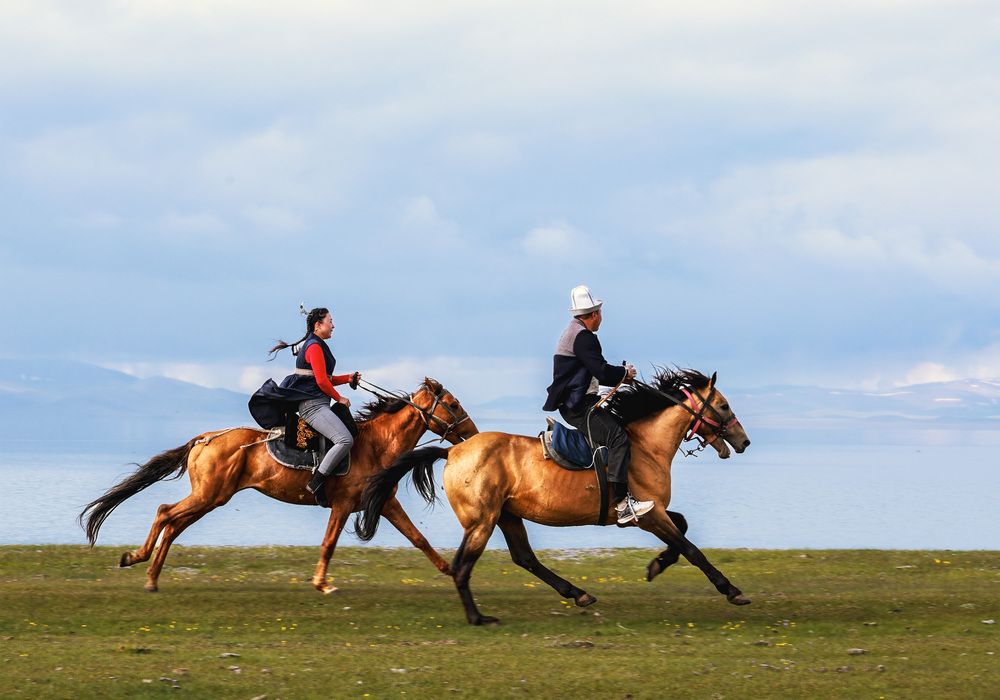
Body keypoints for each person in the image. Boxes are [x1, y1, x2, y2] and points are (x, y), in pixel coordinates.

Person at [543, 285, 654, 525]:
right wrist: (625, 372)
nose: (601, 318)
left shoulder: (573, 332)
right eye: (600, 313)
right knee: (619, 439)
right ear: (594, 314)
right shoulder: (584, 338)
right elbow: (602, 372)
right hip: (578, 405)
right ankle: (623, 505)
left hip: (578, 400)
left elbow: (590, 374)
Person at [267, 307, 361, 507]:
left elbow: (324, 378)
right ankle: (317, 482)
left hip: (318, 404)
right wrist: (340, 398)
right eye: (330, 321)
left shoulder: (315, 344)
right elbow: (321, 382)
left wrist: (348, 378)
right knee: (345, 440)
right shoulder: (314, 347)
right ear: (318, 325)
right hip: (313, 407)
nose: (333, 325)